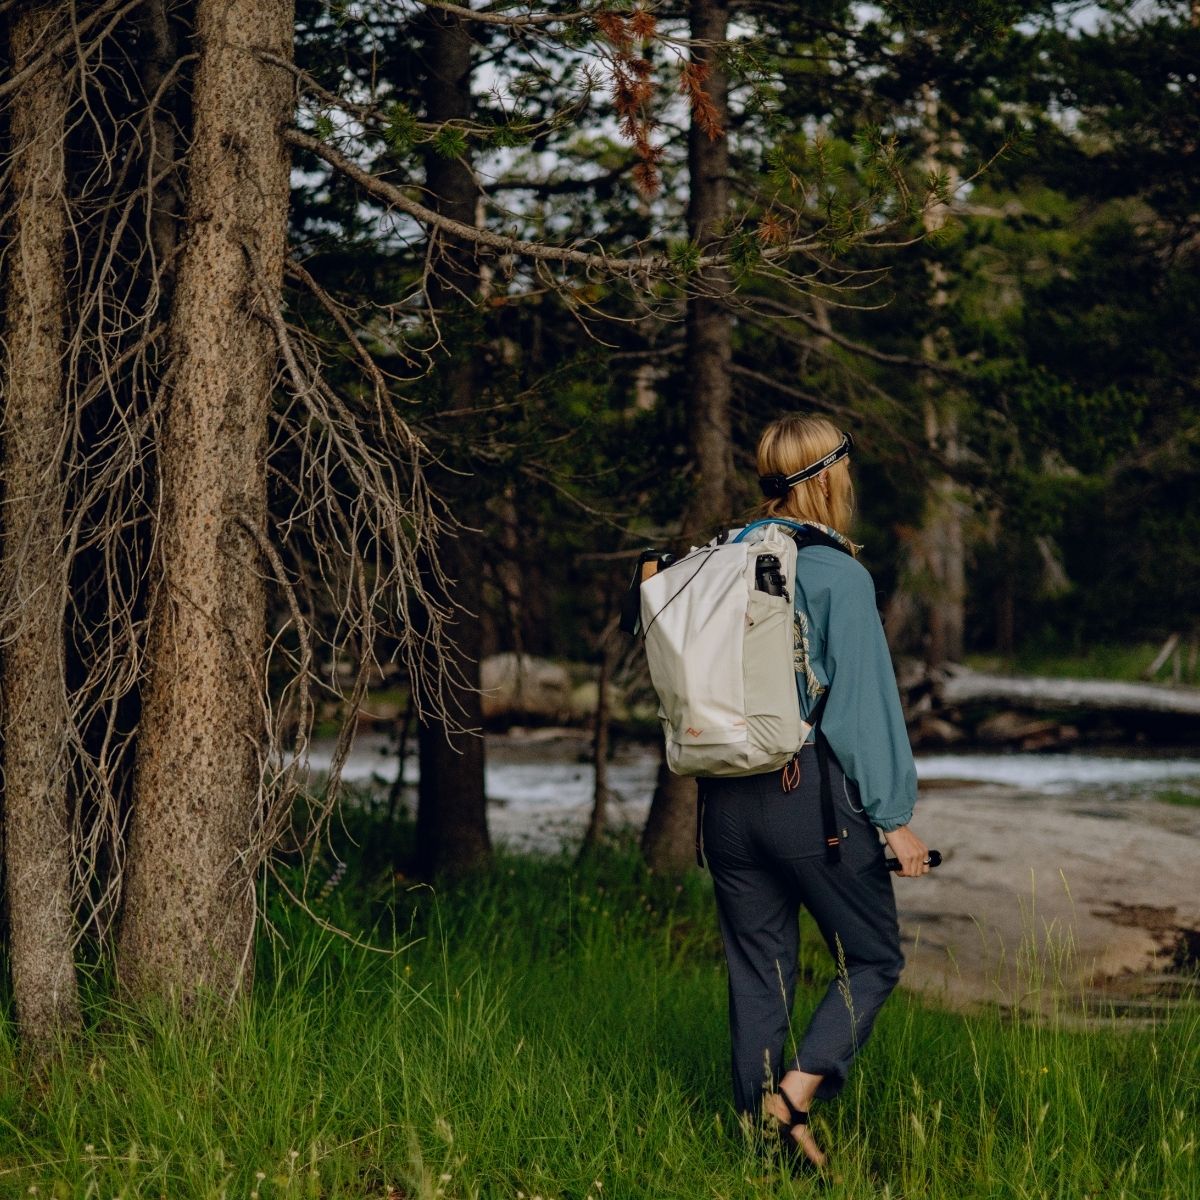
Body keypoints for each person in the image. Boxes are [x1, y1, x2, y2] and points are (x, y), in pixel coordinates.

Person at [699, 413, 930, 1172]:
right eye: (847, 470)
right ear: (827, 475)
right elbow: (863, 706)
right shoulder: (835, 572)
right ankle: (792, 1096)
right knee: (872, 957)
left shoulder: (719, 559)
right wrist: (894, 819)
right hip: (807, 800)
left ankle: (764, 1149)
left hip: (725, 803)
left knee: (759, 971)